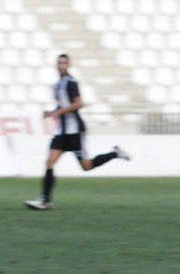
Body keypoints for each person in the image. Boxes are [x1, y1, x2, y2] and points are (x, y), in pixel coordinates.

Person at [24, 54, 130, 210]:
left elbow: (79, 103)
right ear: (56, 65)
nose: (62, 65)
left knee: (86, 166)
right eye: (59, 62)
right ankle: (45, 201)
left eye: (64, 63)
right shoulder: (57, 85)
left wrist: (59, 113)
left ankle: (115, 153)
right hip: (62, 132)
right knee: (49, 162)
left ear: (68, 65)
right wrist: (51, 112)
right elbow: (63, 106)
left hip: (75, 132)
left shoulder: (71, 83)